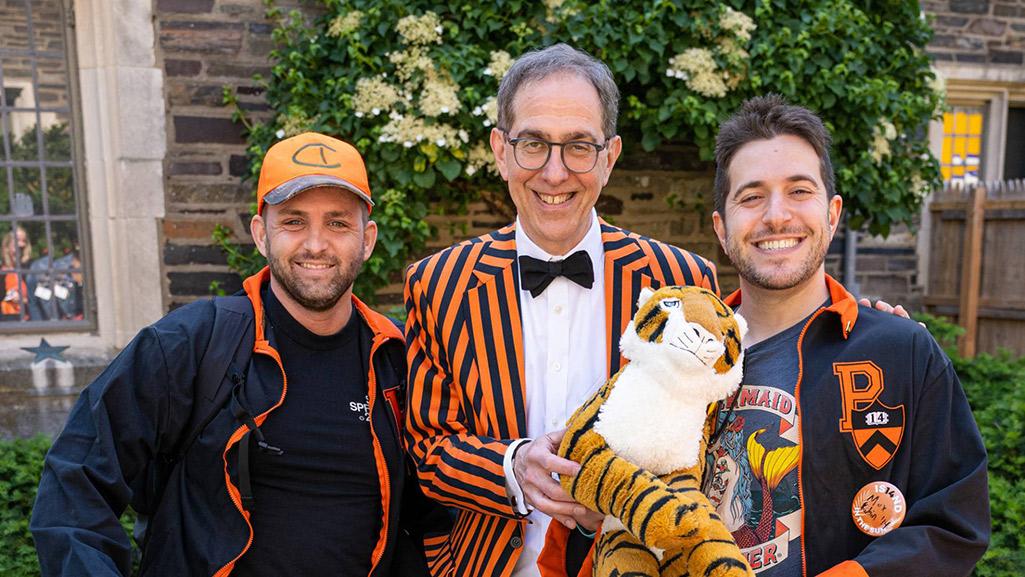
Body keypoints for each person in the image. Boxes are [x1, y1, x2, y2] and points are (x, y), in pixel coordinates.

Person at [31, 132, 446, 577]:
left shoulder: (400, 361)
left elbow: (439, 516)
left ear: (366, 239)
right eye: (293, 221)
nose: (315, 244)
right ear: (260, 234)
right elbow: (74, 483)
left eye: (337, 223)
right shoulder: (192, 344)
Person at [403, 43, 720, 577]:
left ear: (610, 156)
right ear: (501, 151)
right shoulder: (438, 284)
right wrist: (513, 467)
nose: (554, 173)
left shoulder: (683, 282)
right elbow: (429, 449)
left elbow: (712, 435)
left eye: (578, 146)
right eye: (533, 143)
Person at [700, 95, 989, 576]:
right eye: (751, 197)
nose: (776, 216)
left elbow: (953, 522)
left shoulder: (902, 353)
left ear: (832, 214)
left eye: (799, 191)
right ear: (722, 228)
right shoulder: (679, 361)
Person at [1, 225, 31, 320]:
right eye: (18, 240)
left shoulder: (31, 268)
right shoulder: (2, 270)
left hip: (28, 321)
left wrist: (25, 299)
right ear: (6, 246)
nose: (22, 245)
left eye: (24, 241)